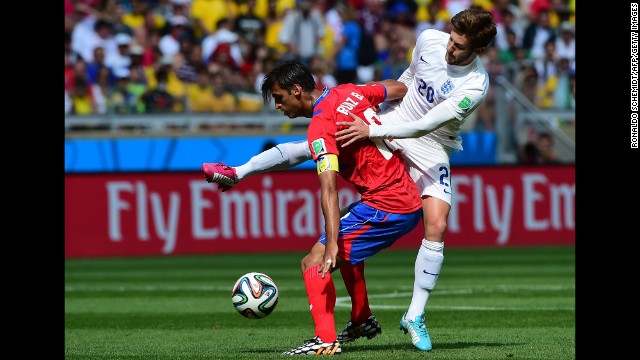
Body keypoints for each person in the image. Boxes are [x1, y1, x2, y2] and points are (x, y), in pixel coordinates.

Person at [202, 8, 497, 352]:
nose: (450, 49)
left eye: (459, 46)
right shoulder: (403, 57)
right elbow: (400, 84)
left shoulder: (475, 84)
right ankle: (361, 317)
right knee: (314, 147)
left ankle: (368, 328)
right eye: (451, 39)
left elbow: (423, 125)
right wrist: (369, 109)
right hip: (391, 122)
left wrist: (371, 126)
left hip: (429, 142)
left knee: (433, 226)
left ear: (476, 51)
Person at [209, 60, 423, 356]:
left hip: (388, 204)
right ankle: (361, 319)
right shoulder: (348, 92)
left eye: (280, 98)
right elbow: (397, 88)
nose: (279, 106)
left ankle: (325, 338)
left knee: (314, 261)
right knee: (347, 242)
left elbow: (329, 188)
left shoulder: (321, 125)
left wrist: (331, 243)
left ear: (297, 90)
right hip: (400, 195)